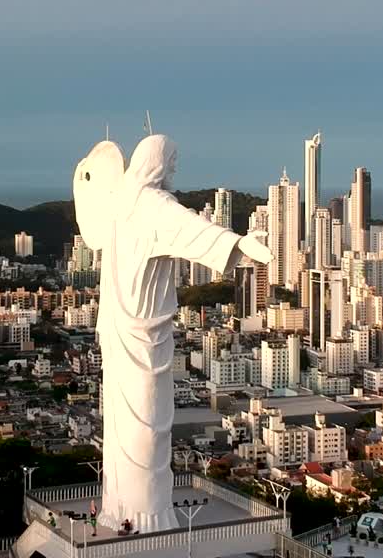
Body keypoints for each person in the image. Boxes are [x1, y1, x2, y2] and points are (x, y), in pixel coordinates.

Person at [73, 135, 271, 532]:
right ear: (158, 163)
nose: (174, 172)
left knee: (123, 425)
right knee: (148, 423)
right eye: (173, 163)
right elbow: (192, 231)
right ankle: (146, 517)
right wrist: (238, 243)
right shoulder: (150, 204)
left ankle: (119, 507)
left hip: (118, 328)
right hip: (143, 333)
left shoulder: (116, 204)